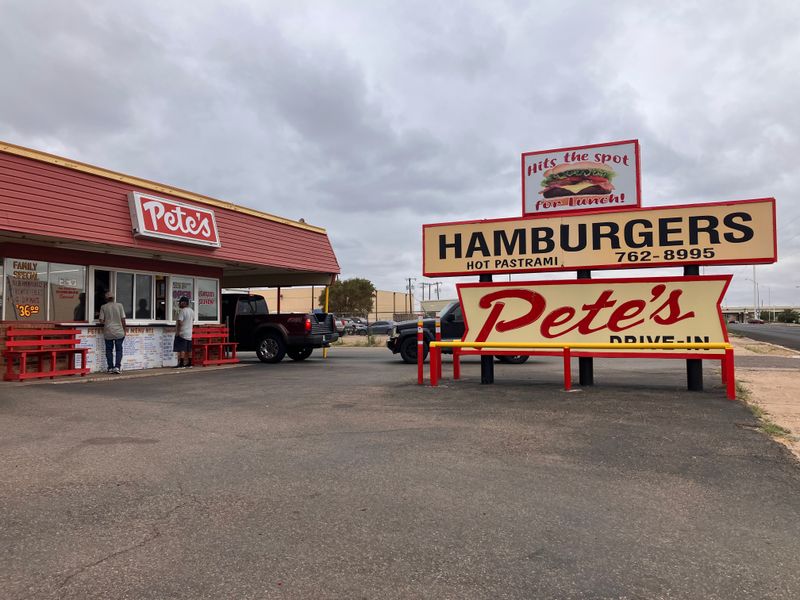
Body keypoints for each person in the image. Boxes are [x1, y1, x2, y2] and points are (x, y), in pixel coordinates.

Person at [98, 291, 126, 374]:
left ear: (106, 299)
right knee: (119, 350)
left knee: (109, 350)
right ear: (113, 298)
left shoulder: (103, 307)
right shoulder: (119, 305)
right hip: (119, 331)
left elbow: (101, 321)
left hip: (108, 331)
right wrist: (124, 330)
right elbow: (123, 319)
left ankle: (110, 367)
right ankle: (117, 367)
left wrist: (107, 322)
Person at [173, 296, 195, 368]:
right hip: (189, 333)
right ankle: (190, 363)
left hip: (182, 333)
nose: (179, 303)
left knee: (181, 348)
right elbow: (193, 320)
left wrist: (178, 332)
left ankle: (181, 363)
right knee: (189, 349)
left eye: (180, 302)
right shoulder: (191, 311)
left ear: (184, 303)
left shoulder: (182, 311)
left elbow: (180, 322)